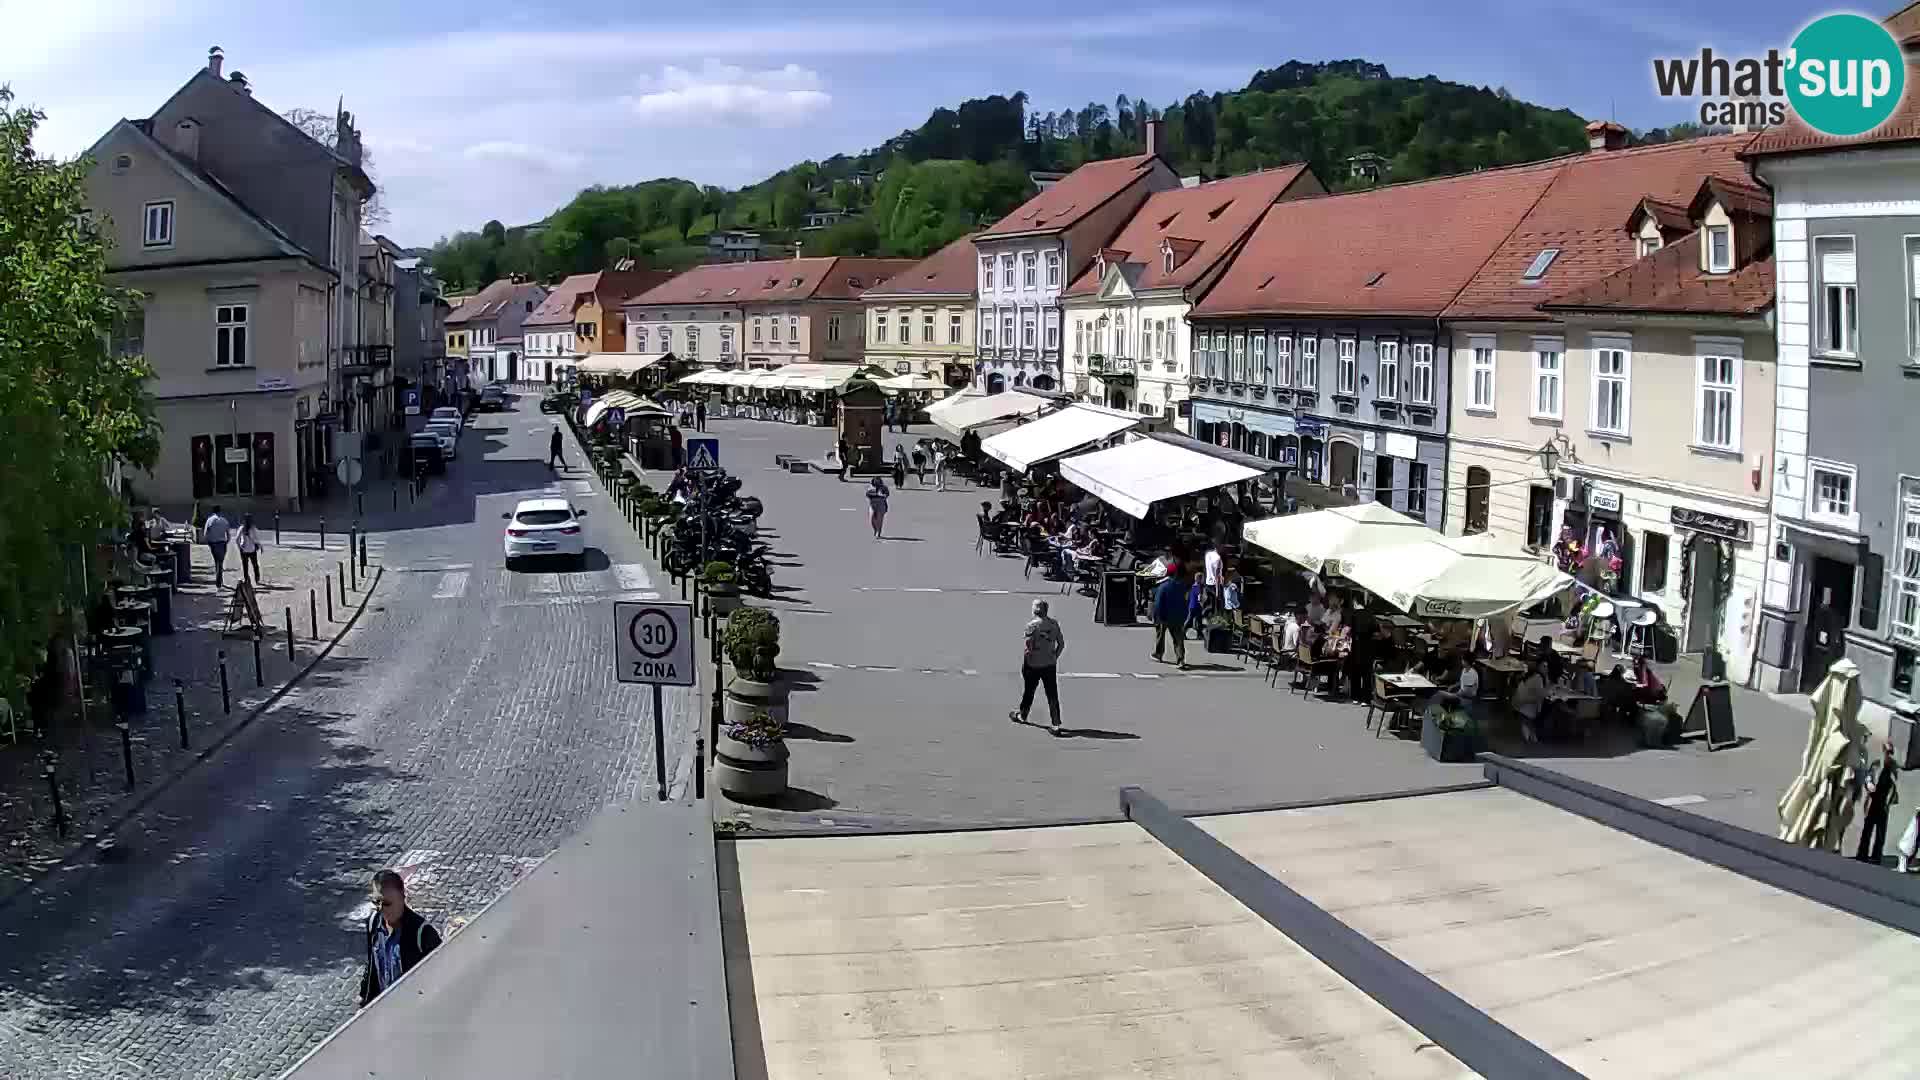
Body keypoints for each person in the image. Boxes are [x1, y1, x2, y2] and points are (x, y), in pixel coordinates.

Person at [358, 869, 443, 1006]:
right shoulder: (373, 923)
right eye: (376, 902)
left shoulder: (423, 934)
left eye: (387, 904)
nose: (380, 908)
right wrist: (364, 996)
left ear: (403, 897)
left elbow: (439, 979)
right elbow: (373, 964)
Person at [1010, 598, 1066, 734]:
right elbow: (1061, 644)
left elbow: (1029, 647)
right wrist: (1054, 657)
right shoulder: (1054, 624)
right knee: (1052, 694)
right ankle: (1056, 724)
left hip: (1034, 665)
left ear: (1035, 610)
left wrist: (1027, 663)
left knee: (1029, 691)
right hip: (1050, 664)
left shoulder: (1031, 626)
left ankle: (1023, 715)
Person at [1857, 739, 1901, 865]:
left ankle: (1876, 857)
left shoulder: (1893, 766)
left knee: (1880, 833)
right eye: (1887, 751)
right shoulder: (1876, 764)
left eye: (1890, 752)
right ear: (1883, 751)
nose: (1888, 754)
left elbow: (1894, 784)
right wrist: (1869, 783)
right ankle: (1862, 854)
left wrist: (1889, 801)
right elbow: (1868, 776)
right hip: (1872, 801)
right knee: (1867, 830)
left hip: (1883, 803)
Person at [1152, 567, 1190, 669]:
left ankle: (1158, 654)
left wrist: (1156, 616)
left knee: (1160, 635)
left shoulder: (1163, 587)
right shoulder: (1181, 587)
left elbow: (1158, 604)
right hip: (1177, 617)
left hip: (1163, 616)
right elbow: (1185, 602)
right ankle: (1180, 659)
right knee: (1178, 639)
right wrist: (1184, 615)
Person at [1512, 659, 1549, 744]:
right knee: (1528, 723)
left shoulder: (1531, 675)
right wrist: (1549, 691)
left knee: (1526, 723)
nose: (1546, 669)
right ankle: (1531, 740)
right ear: (1539, 667)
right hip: (1527, 705)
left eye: (1546, 667)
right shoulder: (1538, 677)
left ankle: (1530, 739)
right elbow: (1541, 693)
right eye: (1544, 666)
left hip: (1521, 703)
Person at [202, 505, 231, 589]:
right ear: (220, 511)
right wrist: (227, 541)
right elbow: (228, 534)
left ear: (213, 511)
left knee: (216, 561)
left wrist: (208, 542)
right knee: (220, 562)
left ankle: (218, 579)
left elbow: (205, 533)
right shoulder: (224, 521)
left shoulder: (209, 520)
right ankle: (219, 580)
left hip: (213, 543)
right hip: (222, 543)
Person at [237, 513, 264, 588]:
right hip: (252, 549)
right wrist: (261, 547)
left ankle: (246, 579)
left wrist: (240, 547)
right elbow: (257, 539)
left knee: (245, 565)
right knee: (255, 564)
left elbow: (237, 539)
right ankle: (257, 578)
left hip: (244, 550)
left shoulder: (242, 528)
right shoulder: (253, 528)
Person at [1203, 543, 1224, 615]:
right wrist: (1218, 591)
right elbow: (1217, 576)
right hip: (1215, 585)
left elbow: (1207, 568)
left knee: (1209, 602)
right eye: (1222, 546)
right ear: (1219, 547)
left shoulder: (1208, 554)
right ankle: (1218, 618)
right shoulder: (1218, 558)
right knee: (1217, 604)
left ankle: (1206, 616)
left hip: (1208, 582)